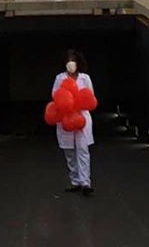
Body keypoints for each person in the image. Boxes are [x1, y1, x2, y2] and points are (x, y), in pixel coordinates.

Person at [53, 50, 95, 197]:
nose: (71, 63)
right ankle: (75, 180)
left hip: (82, 117)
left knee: (83, 149)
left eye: (73, 60)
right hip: (66, 117)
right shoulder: (60, 78)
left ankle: (85, 182)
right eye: (68, 60)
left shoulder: (85, 78)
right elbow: (55, 95)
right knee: (69, 151)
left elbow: (90, 96)